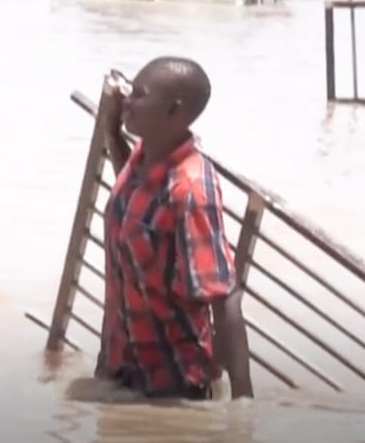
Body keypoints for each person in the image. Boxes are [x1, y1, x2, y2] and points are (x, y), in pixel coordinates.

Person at [96, 56, 254, 400]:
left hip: (170, 385)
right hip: (120, 365)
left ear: (174, 111)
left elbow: (224, 298)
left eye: (139, 94)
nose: (127, 101)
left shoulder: (191, 190)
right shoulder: (143, 157)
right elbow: (138, 205)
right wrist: (111, 132)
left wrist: (243, 409)